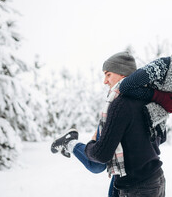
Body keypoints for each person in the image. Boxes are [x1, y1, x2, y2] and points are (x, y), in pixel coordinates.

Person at [84, 35, 172, 196]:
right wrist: (160, 97)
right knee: (100, 164)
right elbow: (127, 86)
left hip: (145, 178)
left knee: (110, 162)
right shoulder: (164, 65)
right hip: (144, 175)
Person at [50, 51, 137, 197]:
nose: (104, 81)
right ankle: (71, 142)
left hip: (130, 170)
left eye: (108, 74)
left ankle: (70, 142)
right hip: (127, 169)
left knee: (96, 165)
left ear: (123, 74)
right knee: (96, 164)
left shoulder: (134, 97)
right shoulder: (116, 100)